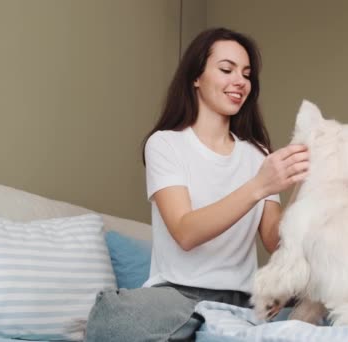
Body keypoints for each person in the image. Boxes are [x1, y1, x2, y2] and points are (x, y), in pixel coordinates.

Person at [84, 27, 309, 342]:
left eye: (246, 74)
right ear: (196, 77)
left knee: (321, 297)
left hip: (242, 296)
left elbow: (274, 241)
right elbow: (186, 232)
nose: (240, 81)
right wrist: (259, 185)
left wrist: (304, 185)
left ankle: (217, 321)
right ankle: (213, 321)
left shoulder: (257, 154)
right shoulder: (165, 144)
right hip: (178, 296)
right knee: (114, 318)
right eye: (226, 69)